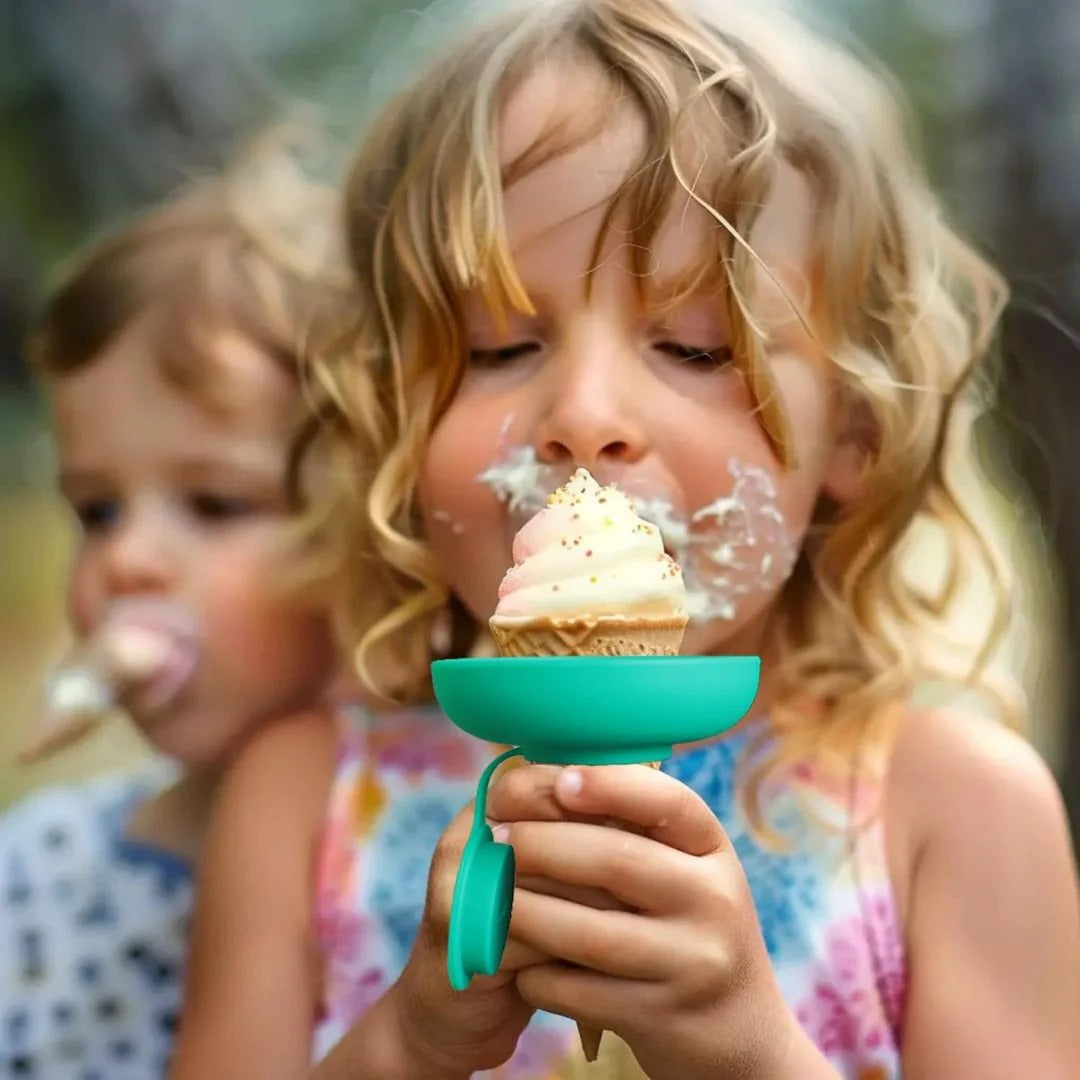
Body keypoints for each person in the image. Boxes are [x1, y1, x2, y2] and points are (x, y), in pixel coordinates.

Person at [172, 1, 1080, 1078]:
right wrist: (406, 1047)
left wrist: (752, 1058)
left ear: (857, 431)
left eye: (696, 347)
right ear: (391, 419)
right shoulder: (301, 798)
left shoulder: (954, 809)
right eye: (497, 345)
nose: (585, 410)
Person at [0, 149, 348, 1079]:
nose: (126, 560)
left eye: (215, 505)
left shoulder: (429, 855)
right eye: (96, 510)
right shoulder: (37, 883)